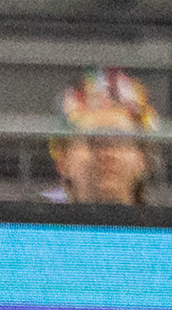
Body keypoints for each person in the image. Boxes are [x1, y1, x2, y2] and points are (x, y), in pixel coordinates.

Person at [46, 69, 159, 207]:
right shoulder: (31, 220)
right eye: (92, 141)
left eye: (118, 140)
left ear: (143, 157)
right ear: (63, 159)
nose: (106, 152)